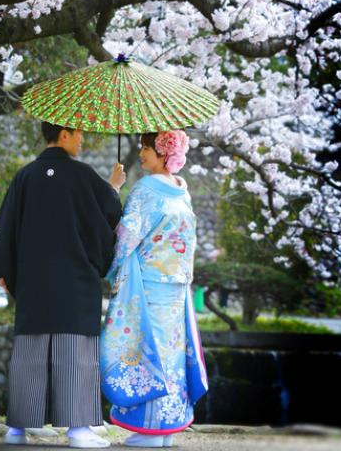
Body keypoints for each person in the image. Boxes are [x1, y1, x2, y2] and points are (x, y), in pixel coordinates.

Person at [0, 122, 126, 448]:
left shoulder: (26, 176)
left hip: (34, 281)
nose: (82, 139)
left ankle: (17, 428)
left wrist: (4, 268)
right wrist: (114, 187)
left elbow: (7, 226)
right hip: (74, 282)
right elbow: (109, 215)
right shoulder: (83, 175)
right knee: (75, 352)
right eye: (78, 133)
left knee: (29, 353)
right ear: (63, 135)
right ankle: (77, 430)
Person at [100, 130, 208, 448]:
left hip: (148, 284)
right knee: (170, 353)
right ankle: (167, 427)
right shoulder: (181, 189)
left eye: (146, 148)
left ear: (162, 152)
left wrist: (107, 264)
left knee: (147, 348)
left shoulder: (146, 188)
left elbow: (127, 237)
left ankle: (150, 427)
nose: (142, 153)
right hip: (176, 285)